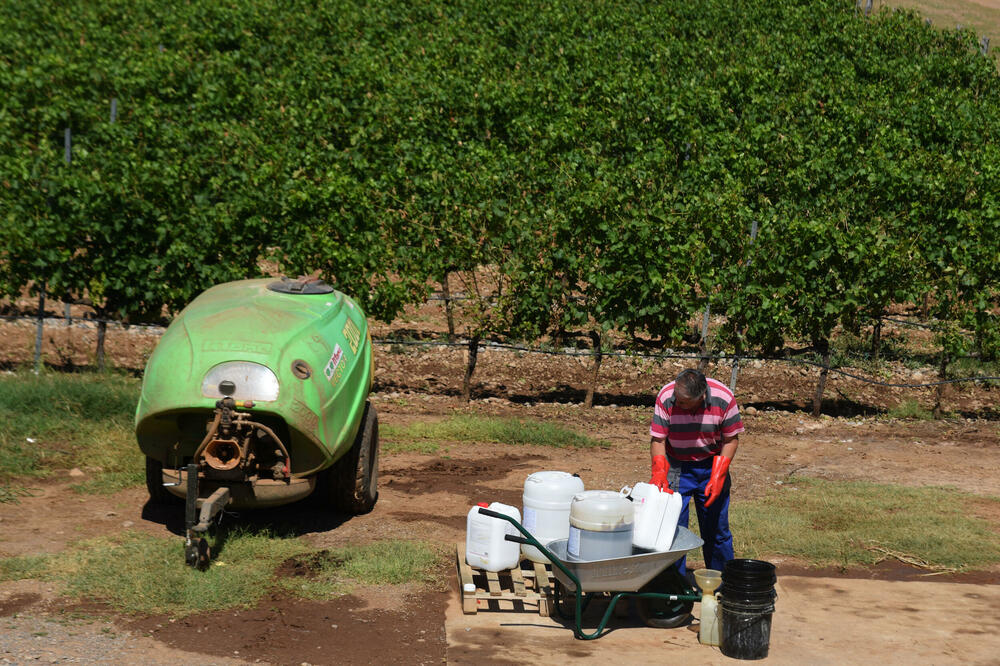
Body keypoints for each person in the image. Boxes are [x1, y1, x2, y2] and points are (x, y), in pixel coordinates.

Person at [649, 368, 744, 577]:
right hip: (676, 464)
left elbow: (731, 440)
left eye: (683, 402)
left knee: (716, 528)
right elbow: (658, 439)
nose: (677, 402)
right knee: (671, 529)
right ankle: (673, 586)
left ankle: (722, 581)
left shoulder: (724, 398)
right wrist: (659, 472)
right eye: (677, 398)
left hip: (712, 463)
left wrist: (718, 475)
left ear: (701, 397)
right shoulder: (666, 396)